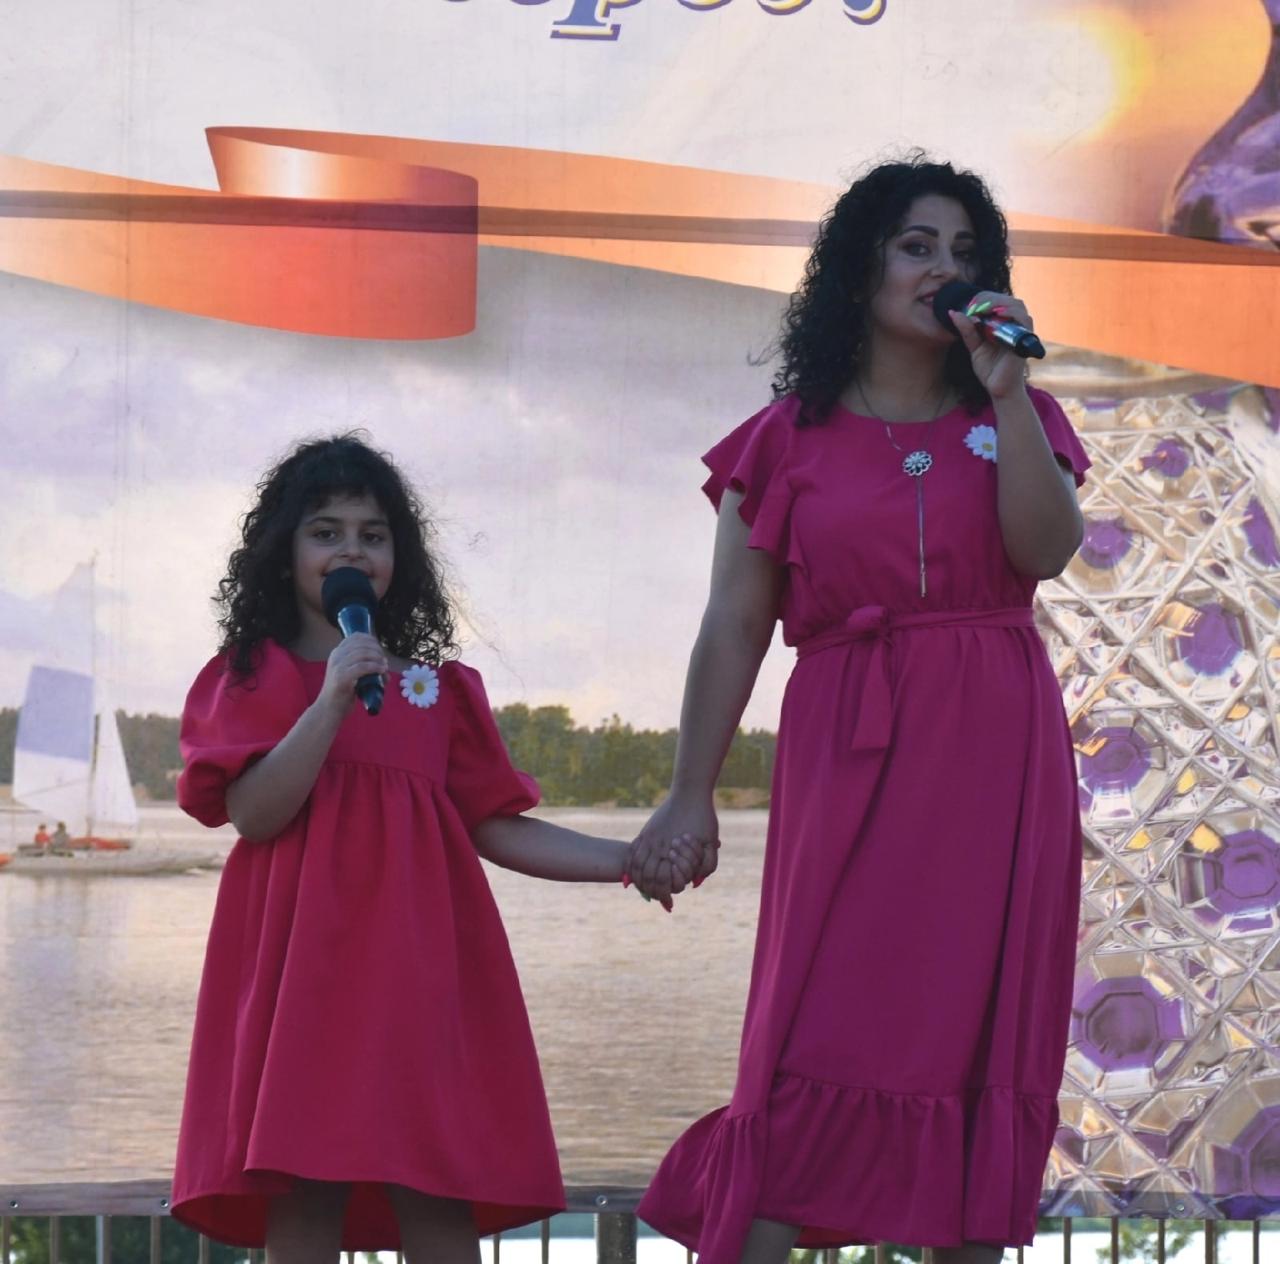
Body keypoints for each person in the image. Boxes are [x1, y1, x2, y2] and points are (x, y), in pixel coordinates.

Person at [630, 157, 1089, 1264]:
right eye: (915, 246)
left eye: (965, 253)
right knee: (813, 1039)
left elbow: (1046, 551)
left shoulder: (1020, 412)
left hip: (996, 760)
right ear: (860, 268)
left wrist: (1006, 392)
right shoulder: (783, 438)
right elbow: (732, 624)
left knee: (980, 1042)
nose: (942, 270)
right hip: (850, 754)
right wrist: (688, 792)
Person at [171, 434, 696, 1264]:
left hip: (415, 980)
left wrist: (626, 860)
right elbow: (256, 814)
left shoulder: (433, 690)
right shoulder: (252, 675)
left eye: (373, 535)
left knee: (435, 1184)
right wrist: (332, 699)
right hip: (300, 984)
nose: (352, 551)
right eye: (326, 532)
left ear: (399, 558)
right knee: (302, 1192)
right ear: (282, 553)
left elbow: (496, 825)